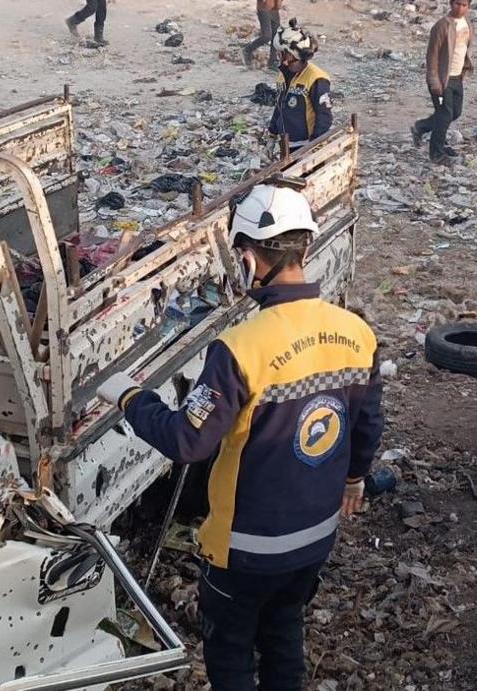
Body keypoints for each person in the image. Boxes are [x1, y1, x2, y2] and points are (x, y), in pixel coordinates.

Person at [96, 183, 384, 691]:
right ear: (305, 247)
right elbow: (366, 425)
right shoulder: (356, 332)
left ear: (248, 258)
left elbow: (189, 441)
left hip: (245, 550)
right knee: (283, 633)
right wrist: (355, 479)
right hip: (315, 538)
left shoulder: (239, 348)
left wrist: (130, 398)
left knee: (230, 655)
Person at [411, 0, 474, 166]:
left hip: (457, 78)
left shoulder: (467, 25)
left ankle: (421, 127)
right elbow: (432, 56)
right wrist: (434, 82)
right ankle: (436, 153)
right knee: (444, 114)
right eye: (457, 4)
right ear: (450, 3)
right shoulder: (442, 26)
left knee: (455, 112)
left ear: (469, 6)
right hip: (441, 81)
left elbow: (466, 50)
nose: (460, 8)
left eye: (464, 5)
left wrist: (466, 70)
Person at [267, 20, 333, 152]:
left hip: (305, 146)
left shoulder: (317, 78)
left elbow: (324, 117)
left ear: (290, 55)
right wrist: (272, 135)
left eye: (280, 52)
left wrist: (314, 147)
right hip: (286, 144)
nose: (278, 55)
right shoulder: (283, 75)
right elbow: (279, 106)